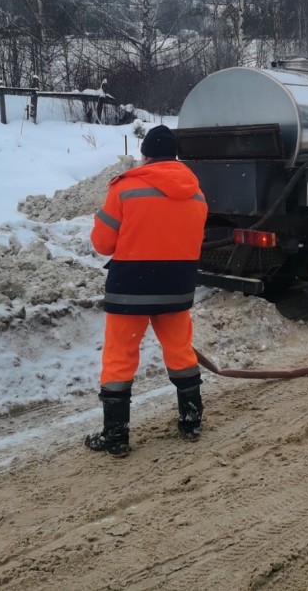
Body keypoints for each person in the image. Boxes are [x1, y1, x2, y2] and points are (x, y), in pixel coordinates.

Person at [86, 125, 208, 458]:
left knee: (119, 359)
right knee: (181, 352)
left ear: (146, 155)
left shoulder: (125, 188)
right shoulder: (196, 193)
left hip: (131, 289)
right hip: (176, 289)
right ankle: (191, 420)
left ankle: (115, 435)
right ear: (175, 156)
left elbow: (101, 243)